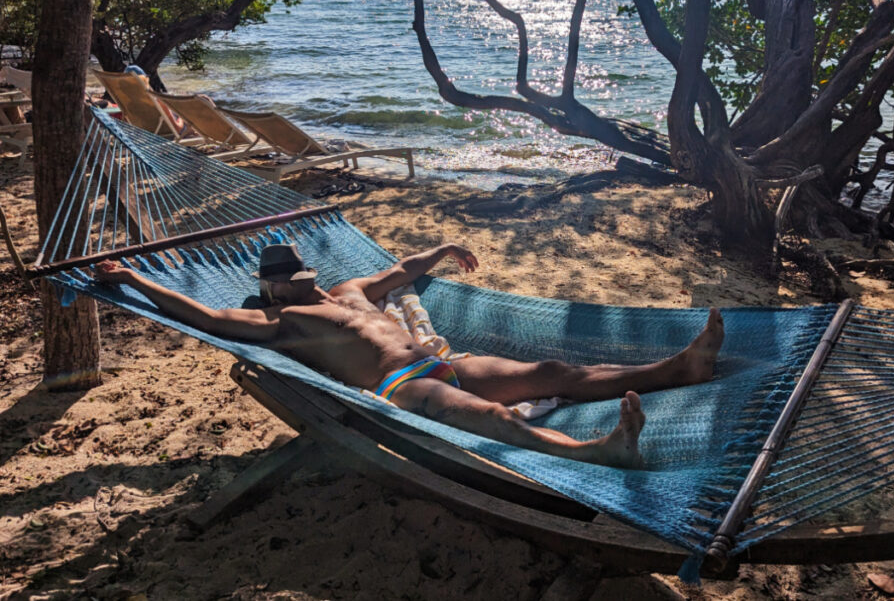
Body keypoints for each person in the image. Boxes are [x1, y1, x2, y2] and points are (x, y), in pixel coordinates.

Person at [94, 242, 724, 468]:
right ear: (272, 289)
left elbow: (401, 270)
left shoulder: (349, 290)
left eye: (302, 273)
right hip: (399, 386)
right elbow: (203, 315)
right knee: (494, 420)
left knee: (552, 373)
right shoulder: (280, 322)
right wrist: (132, 281)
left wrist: (444, 249)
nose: (300, 281)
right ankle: (599, 452)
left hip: (439, 360)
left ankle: (677, 368)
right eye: (288, 279)